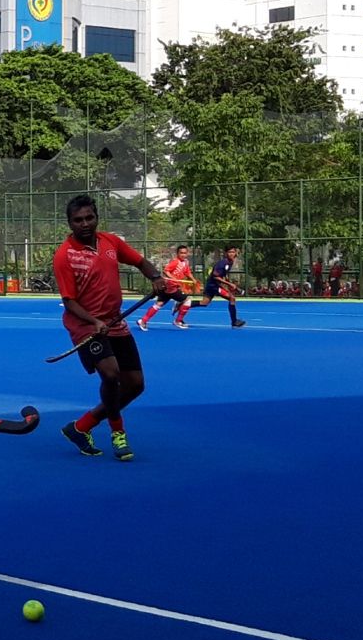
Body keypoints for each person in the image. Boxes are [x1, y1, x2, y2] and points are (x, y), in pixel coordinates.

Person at [52, 195, 167, 462]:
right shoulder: (64, 256)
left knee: (136, 384)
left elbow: (140, 261)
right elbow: (69, 301)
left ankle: (81, 427)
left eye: (89, 218)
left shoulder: (111, 242)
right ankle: (118, 433)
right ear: (69, 223)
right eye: (78, 220)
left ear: (97, 218)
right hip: (86, 326)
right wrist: (94, 322)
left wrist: (156, 277)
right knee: (111, 374)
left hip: (115, 322)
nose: (84, 224)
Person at [136, 244, 196, 330]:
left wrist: (193, 279)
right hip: (171, 287)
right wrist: (174, 279)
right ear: (177, 254)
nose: (183, 255)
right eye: (181, 253)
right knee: (187, 300)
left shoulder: (185, 262)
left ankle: (143, 321)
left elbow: (187, 272)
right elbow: (166, 271)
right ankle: (178, 321)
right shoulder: (175, 262)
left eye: (185, 253)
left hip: (168, 288)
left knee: (159, 304)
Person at [193, 245, 247, 327]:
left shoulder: (230, 262)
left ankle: (184, 304)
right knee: (232, 299)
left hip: (212, 285)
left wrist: (228, 283)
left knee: (204, 303)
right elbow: (215, 276)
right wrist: (229, 284)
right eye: (229, 252)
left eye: (233, 252)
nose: (231, 254)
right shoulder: (222, 263)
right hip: (213, 286)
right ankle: (234, 322)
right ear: (226, 253)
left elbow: (223, 275)